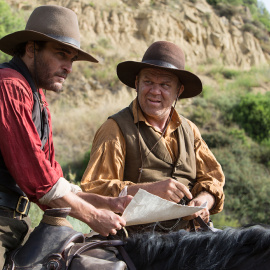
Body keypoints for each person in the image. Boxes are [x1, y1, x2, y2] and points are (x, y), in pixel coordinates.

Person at [0, 5, 132, 268]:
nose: (68, 67)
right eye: (61, 55)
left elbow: (53, 180)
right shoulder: (9, 87)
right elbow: (39, 180)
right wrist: (93, 215)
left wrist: (107, 202)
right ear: (30, 48)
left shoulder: (37, 97)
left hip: (14, 223)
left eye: (72, 59)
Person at [81, 41, 225, 234]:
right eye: (148, 82)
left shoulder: (190, 130)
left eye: (165, 85)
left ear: (178, 91)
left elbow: (213, 179)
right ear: (136, 83)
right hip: (134, 241)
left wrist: (205, 201)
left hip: (189, 239)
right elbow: (94, 190)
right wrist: (149, 190)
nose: (155, 91)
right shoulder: (114, 129)